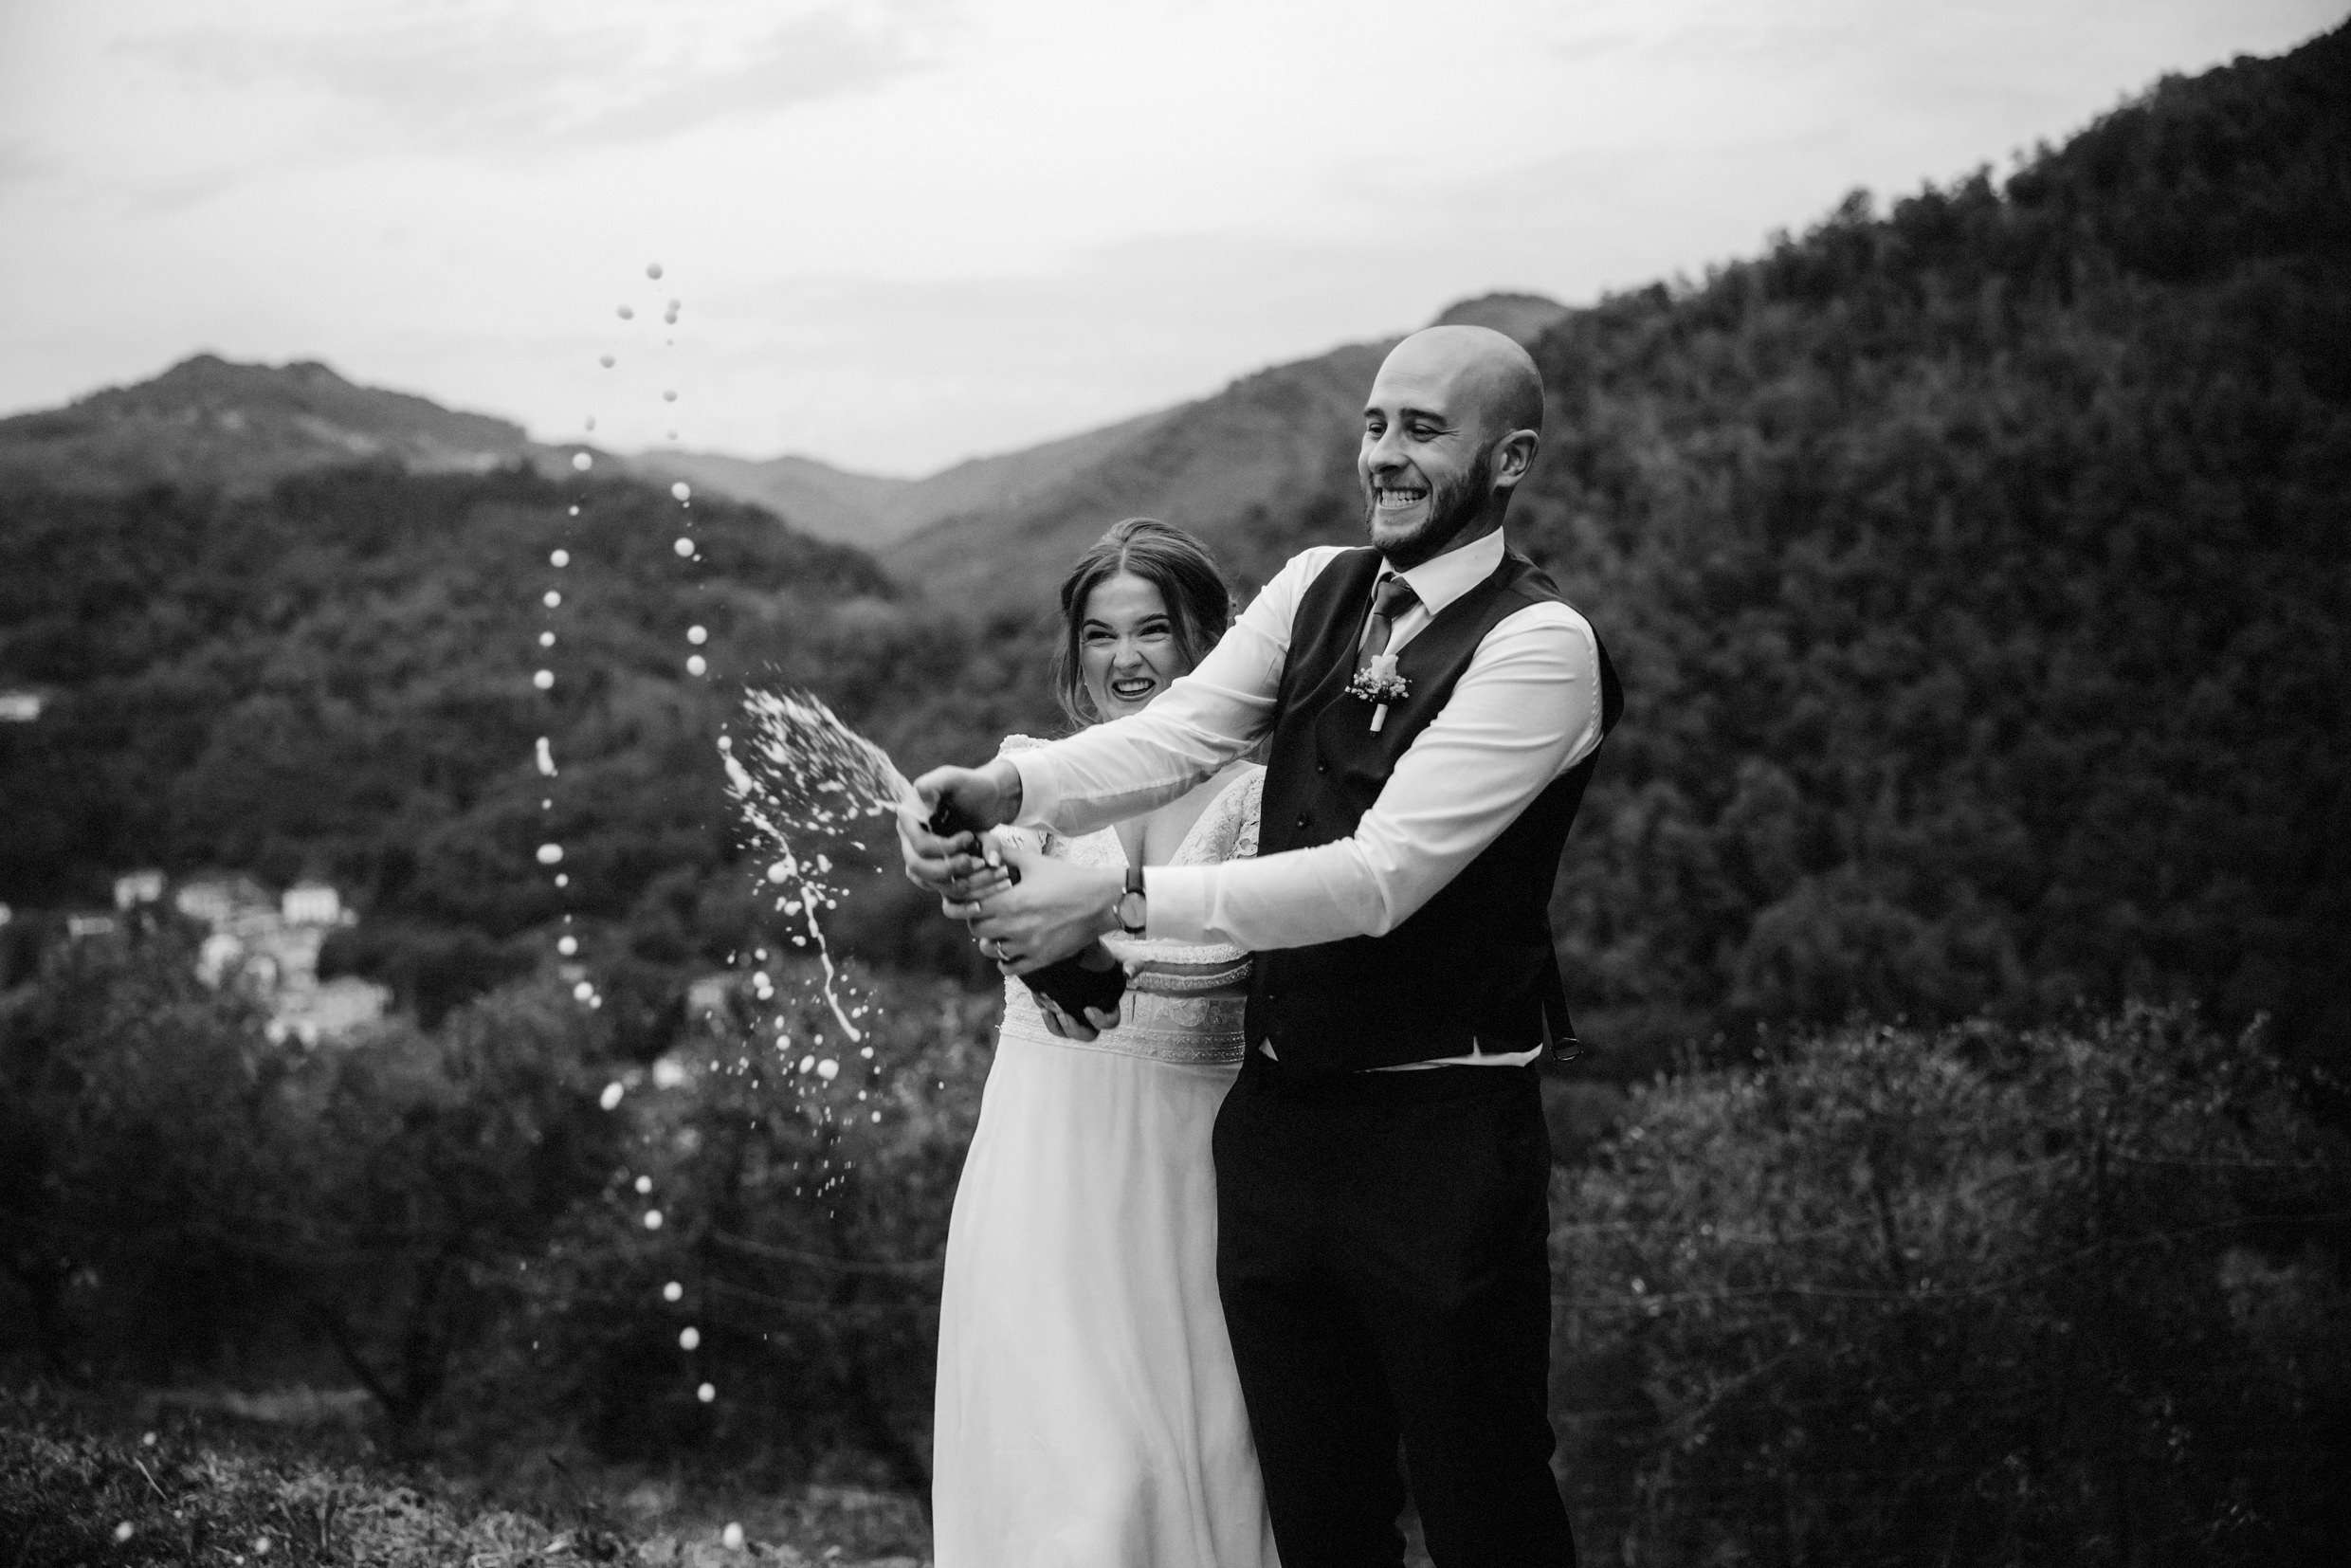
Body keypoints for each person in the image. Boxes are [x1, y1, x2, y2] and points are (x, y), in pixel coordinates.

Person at [902, 324, 1623, 1568]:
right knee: (1310, 1504)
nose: (1385, 455)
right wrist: (1000, 787)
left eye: (1423, 430)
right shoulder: (1312, 588)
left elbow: (1380, 876)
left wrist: (1114, 899)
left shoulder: (1540, 646)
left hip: (1438, 1133)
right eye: (1376, 424)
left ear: (1509, 460)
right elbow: (1172, 739)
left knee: (1480, 1489)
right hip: (1275, 1124)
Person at [929, 518, 1281, 1568]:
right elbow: (970, 885)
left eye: (1152, 630)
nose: (1124, 658)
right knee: (1065, 1471)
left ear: (1208, 642)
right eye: (1098, 634)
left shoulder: (1263, 803)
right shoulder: (1027, 777)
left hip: (1192, 1175)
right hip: (1042, 1164)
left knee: (1180, 1456)